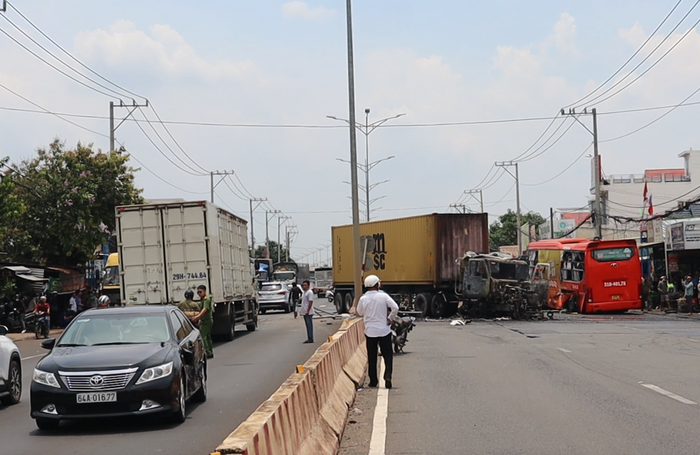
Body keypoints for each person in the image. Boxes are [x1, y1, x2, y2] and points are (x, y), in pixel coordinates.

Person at [356, 275, 399, 389]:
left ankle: (373, 380)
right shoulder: (384, 296)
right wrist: (390, 318)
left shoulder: (363, 298)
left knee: (372, 356)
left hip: (370, 331)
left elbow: (359, 312)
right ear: (377, 284)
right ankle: (388, 374)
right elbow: (395, 307)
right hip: (384, 329)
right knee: (387, 355)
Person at [192, 285, 214, 359]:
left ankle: (207, 352)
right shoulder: (203, 299)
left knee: (203, 337)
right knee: (207, 337)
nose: (199, 293)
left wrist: (197, 318)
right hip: (206, 320)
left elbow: (205, 310)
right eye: (198, 292)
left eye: (200, 292)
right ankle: (210, 352)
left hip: (206, 321)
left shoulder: (206, 300)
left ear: (205, 291)